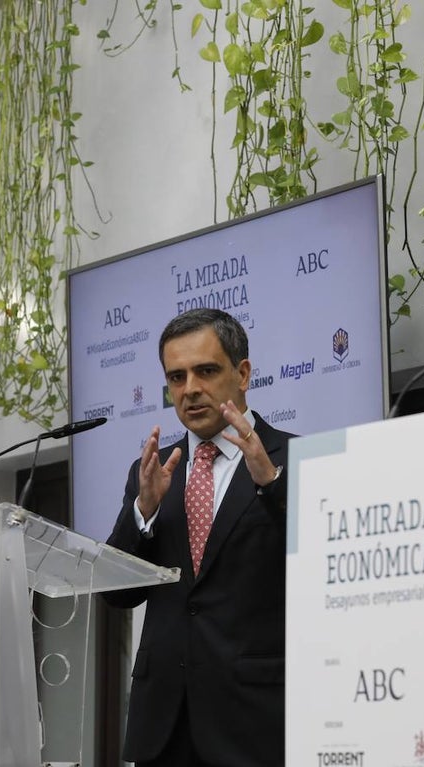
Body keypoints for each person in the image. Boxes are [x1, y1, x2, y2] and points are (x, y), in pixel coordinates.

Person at [103, 308, 293, 767]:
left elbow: (321, 576)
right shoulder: (151, 473)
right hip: (163, 728)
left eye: (205, 371)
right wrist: (143, 511)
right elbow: (119, 596)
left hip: (254, 724)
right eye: (176, 377)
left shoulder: (293, 458)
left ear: (242, 373)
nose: (190, 389)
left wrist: (272, 486)